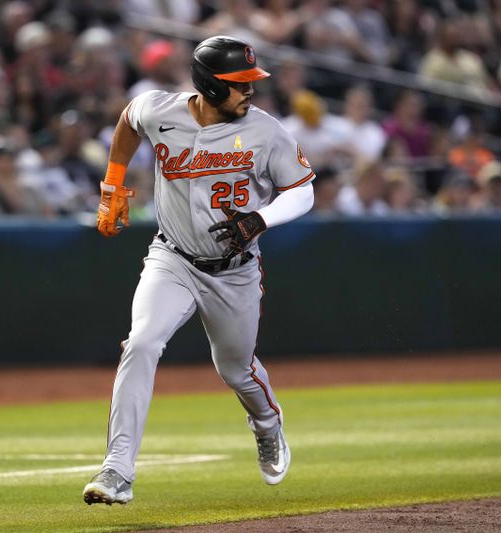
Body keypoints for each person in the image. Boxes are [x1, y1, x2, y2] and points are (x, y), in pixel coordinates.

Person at [83, 36, 315, 505]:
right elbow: (129, 120)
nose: (250, 91)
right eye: (239, 84)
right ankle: (117, 470)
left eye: (252, 82)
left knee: (235, 369)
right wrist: (112, 184)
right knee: (142, 342)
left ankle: (267, 425)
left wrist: (261, 217)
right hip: (172, 259)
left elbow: (303, 191)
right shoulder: (160, 110)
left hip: (234, 271)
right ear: (209, 85)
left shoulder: (264, 130)